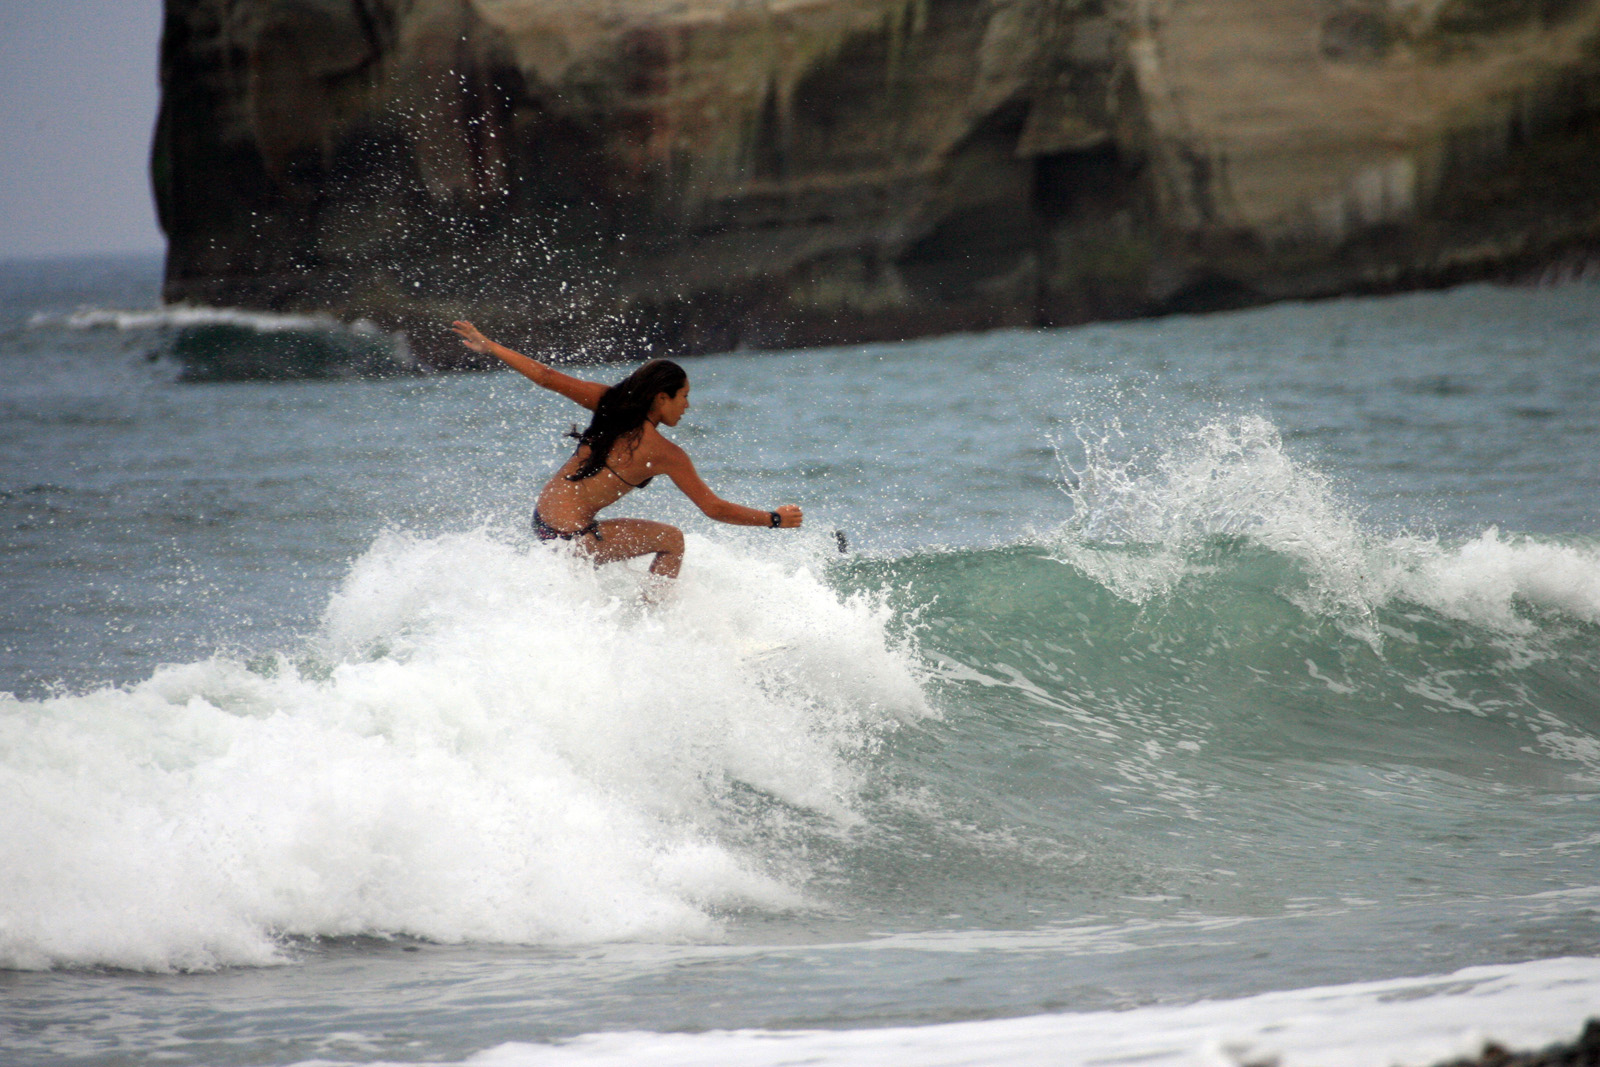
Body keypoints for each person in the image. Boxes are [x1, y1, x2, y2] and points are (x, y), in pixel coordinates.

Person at [451, 321, 802, 579]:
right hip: (574, 537)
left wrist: (491, 346)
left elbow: (545, 377)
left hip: (544, 523)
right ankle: (655, 626)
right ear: (662, 398)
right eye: (684, 397)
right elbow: (713, 508)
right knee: (672, 540)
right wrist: (774, 519)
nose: (687, 406)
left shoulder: (607, 403)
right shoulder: (666, 453)